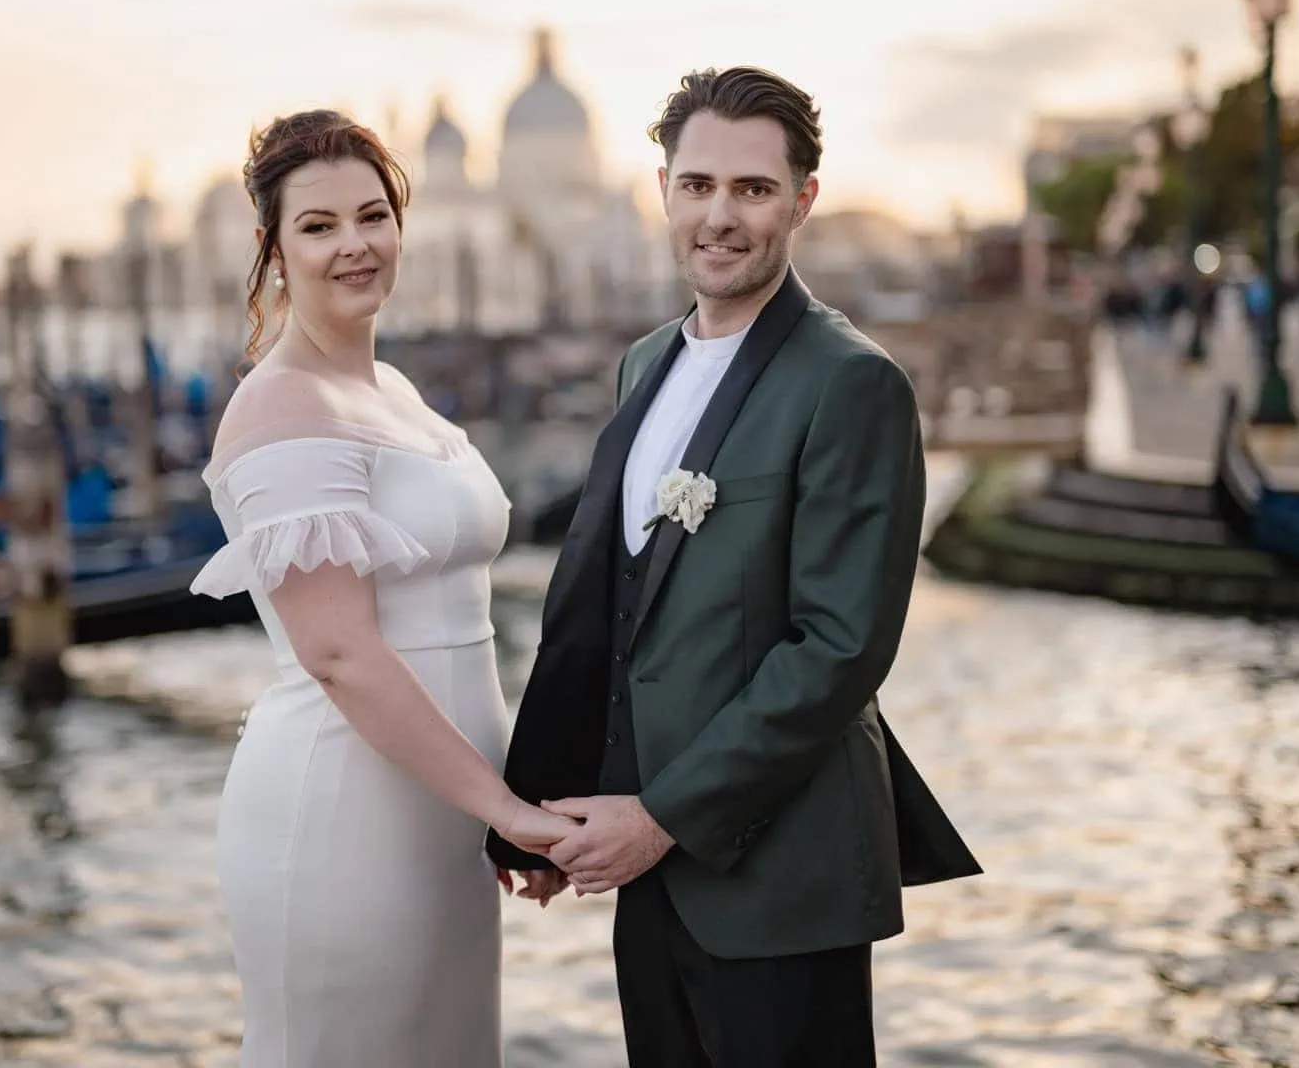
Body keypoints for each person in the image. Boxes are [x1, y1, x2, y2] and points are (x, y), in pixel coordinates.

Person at [488, 67, 982, 1067]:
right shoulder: (643, 363)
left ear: (801, 200)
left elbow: (838, 648)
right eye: (698, 184)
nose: (721, 214)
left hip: (779, 878)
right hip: (648, 873)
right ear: (665, 188)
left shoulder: (852, 383)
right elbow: (616, 611)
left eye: (752, 189)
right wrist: (545, 812)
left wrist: (662, 817)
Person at [189, 110, 577, 1067]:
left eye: (373, 215)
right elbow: (340, 653)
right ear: (272, 250)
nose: (354, 245)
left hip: (444, 810)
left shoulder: (395, 393)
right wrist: (507, 810)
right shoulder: (281, 404)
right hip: (345, 808)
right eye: (318, 226)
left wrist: (494, 809)